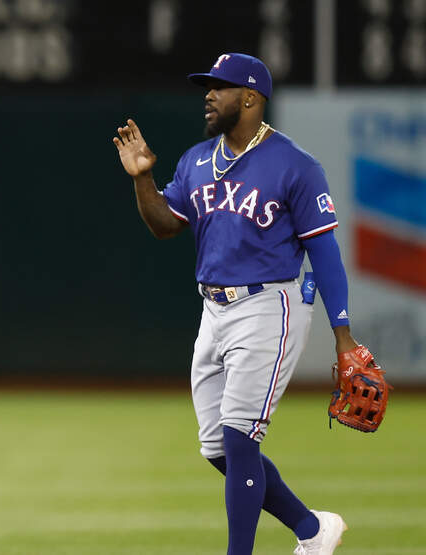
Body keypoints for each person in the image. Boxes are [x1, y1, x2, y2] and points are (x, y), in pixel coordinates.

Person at [113, 52, 357, 555]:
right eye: (208, 86)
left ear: (250, 97)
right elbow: (164, 225)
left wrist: (344, 336)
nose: (209, 94)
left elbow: (324, 250)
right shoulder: (195, 161)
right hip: (213, 310)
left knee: (242, 438)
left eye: (219, 86)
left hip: (270, 305)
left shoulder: (295, 165)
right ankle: (313, 531)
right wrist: (142, 178)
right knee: (219, 448)